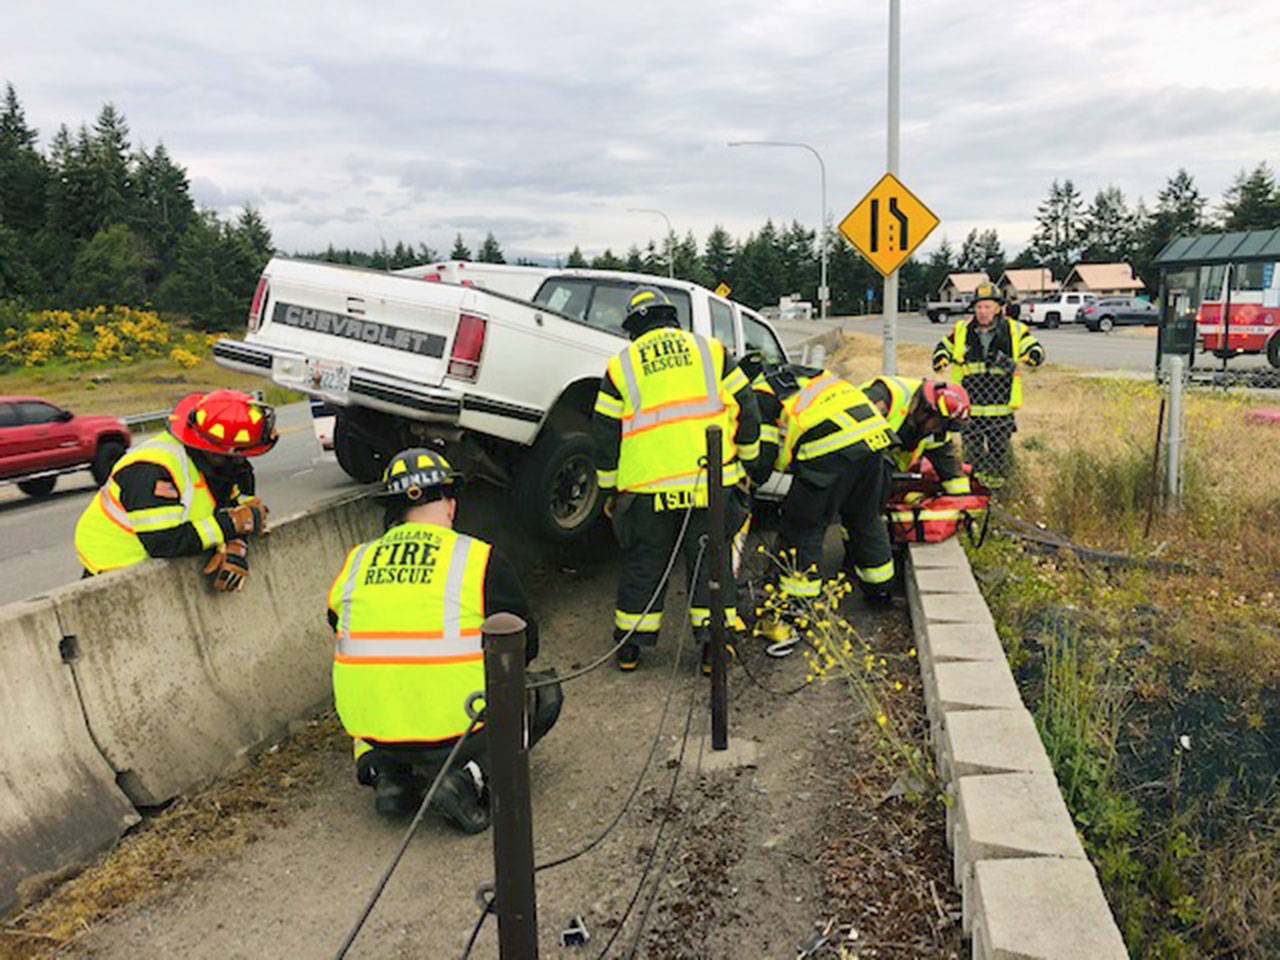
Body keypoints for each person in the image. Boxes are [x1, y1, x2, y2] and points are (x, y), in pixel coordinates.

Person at [326, 447, 561, 831]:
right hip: (456, 730)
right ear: (450, 505)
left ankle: (390, 778)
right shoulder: (477, 559)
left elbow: (338, 625)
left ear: (394, 509)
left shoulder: (358, 559)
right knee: (543, 692)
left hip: (371, 730)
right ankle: (467, 778)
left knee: (378, 679)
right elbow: (523, 644)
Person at [592, 285, 761, 673]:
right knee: (709, 565)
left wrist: (610, 489)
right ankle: (712, 652)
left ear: (634, 327)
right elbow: (746, 410)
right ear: (672, 317)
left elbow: (605, 434)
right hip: (710, 484)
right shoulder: (712, 351)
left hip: (647, 491)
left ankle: (631, 648)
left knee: (645, 563)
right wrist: (750, 463)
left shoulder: (622, 365)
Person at [74, 389, 275, 589]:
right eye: (240, 455)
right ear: (218, 453)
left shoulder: (224, 465)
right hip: (116, 570)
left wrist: (237, 544)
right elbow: (163, 541)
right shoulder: (150, 470)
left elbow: (242, 509)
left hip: (159, 566)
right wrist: (231, 525)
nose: (243, 463)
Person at [747, 364, 897, 620]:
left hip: (828, 450)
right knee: (864, 518)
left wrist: (751, 479)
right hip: (874, 440)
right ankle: (880, 591)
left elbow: (763, 461)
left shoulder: (760, 394)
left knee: (803, 526)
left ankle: (797, 607)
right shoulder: (803, 374)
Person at [931, 281, 1044, 478]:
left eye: (987, 306)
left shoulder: (1014, 329)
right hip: (969, 408)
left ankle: (1000, 491)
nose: (982, 311)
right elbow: (943, 347)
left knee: (999, 455)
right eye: (979, 307)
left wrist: (1031, 356)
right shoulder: (962, 330)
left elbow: (1036, 349)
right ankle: (975, 490)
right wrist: (940, 357)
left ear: (998, 308)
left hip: (1000, 408)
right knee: (972, 457)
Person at [860, 376, 972, 494]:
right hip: (848, 465)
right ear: (927, 411)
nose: (939, 431)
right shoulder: (886, 396)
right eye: (940, 424)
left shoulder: (935, 433)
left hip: (880, 481)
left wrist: (964, 503)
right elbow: (854, 442)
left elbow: (952, 474)